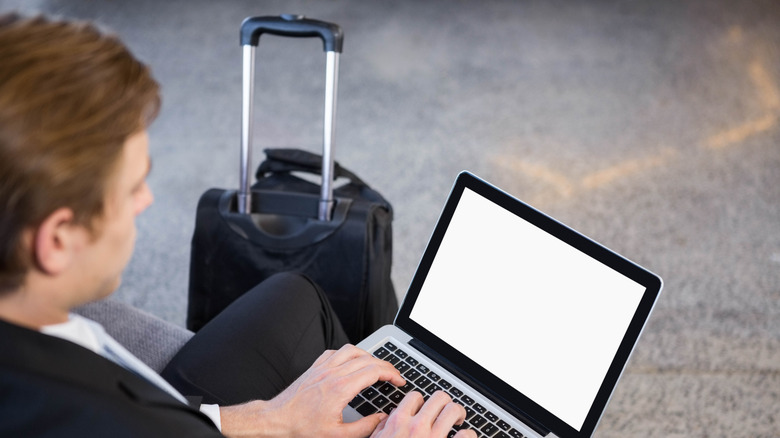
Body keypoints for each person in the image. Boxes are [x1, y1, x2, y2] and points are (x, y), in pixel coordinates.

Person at [0, 13, 477, 438]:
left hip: (176, 404)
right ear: (57, 240)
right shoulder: (90, 415)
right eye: (131, 189)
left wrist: (274, 419)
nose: (147, 201)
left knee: (295, 295)